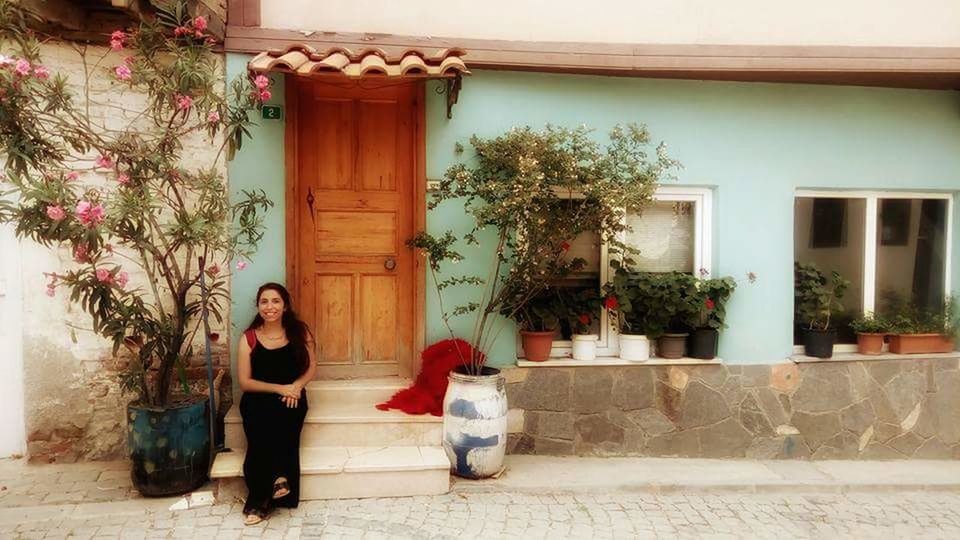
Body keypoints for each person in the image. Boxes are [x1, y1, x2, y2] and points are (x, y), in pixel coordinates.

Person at [236, 283, 316, 525]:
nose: (270, 307)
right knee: (262, 431)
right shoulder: (249, 338)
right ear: (258, 306)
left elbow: (312, 368)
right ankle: (275, 482)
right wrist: (281, 388)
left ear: (285, 305)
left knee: (284, 417)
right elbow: (245, 382)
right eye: (264, 301)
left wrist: (296, 387)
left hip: (292, 396)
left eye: (275, 301)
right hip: (257, 398)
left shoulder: (300, 332)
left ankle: (261, 499)